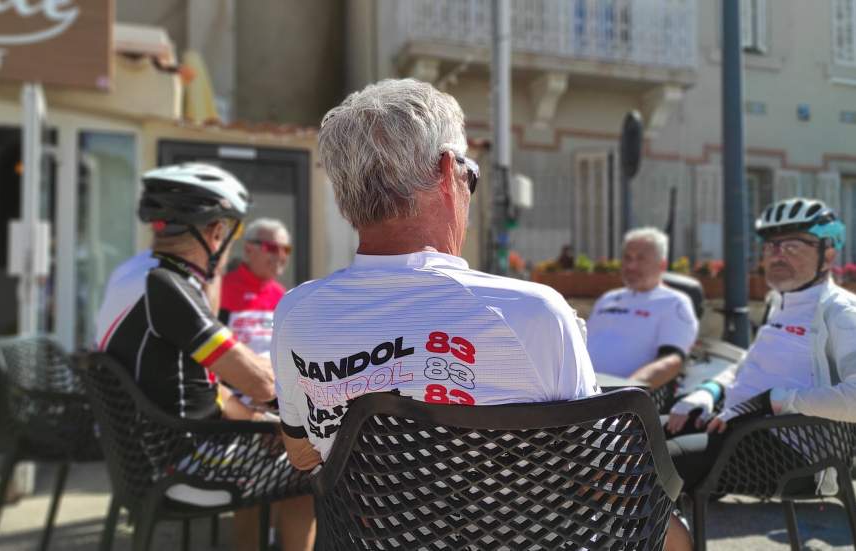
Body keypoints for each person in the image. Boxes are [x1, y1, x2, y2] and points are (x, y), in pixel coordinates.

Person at [270, 78, 598, 472]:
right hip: (516, 533)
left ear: (344, 198)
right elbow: (597, 473)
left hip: (371, 533)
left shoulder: (296, 314)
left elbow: (303, 456)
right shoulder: (530, 313)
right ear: (448, 170)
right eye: (470, 175)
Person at [94, 163, 313, 551]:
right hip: (182, 464)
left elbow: (205, 388)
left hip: (148, 457)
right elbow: (259, 382)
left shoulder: (133, 272)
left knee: (272, 440)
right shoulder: (166, 285)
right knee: (308, 464)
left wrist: (266, 417)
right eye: (233, 234)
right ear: (216, 232)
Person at [662, 198, 856, 550]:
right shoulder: (780, 302)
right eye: (771, 245)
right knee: (634, 437)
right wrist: (708, 391)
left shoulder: (843, 313)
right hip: (740, 430)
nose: (776, 255)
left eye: (793, 245)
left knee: (649, 468)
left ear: (828, 254)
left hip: (793, 453)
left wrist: (783, 400)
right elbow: (751, 368)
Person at [585, 227, 699, 389]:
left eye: (640, 259)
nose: (631, 266)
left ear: (662, 265)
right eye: (627, 258)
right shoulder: (607, 298)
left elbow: (671, 361)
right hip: (582, 395)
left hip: (626, 400)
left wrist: (626, 391)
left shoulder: (674, 303)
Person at [221, 218, 292, 355]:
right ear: (248, 249)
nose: (281, 256)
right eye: (272, 248)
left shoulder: (283, 296)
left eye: (286, 249)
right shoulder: (222, 289)